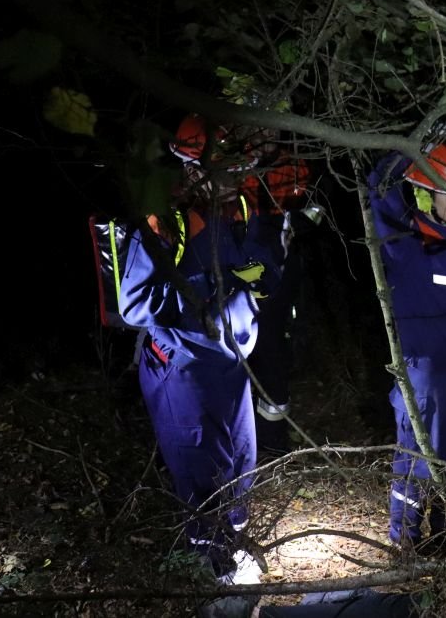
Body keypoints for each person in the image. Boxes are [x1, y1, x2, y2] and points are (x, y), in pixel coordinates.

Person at [119, 113, 278, 590]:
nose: (238, 181)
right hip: (182, 369)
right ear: (194, 168)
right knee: (198, 465)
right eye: (228, 173)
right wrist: (199, 302)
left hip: (231, 361)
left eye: (241, 170)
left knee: (242, 458)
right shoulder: (166, 224)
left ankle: (235, 537)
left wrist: (256, 283)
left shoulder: (239, 210)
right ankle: (214, 562)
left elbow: (253, 272)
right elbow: (133, 305)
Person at [367, 143, 446, 548]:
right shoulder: (406, 242)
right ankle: (406, 544)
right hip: (422, 371)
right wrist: (411, 149)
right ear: (422, 194)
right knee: (415, 463)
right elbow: (378, 187)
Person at [240, 134, 321, 458]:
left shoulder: (295, 164)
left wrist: (293, 221)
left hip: (281, 274)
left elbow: (315, 210)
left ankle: (272, 443)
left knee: (274, 355)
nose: (265, 138)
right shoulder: (232, 165)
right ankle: (241, 442)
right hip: (240, 277)